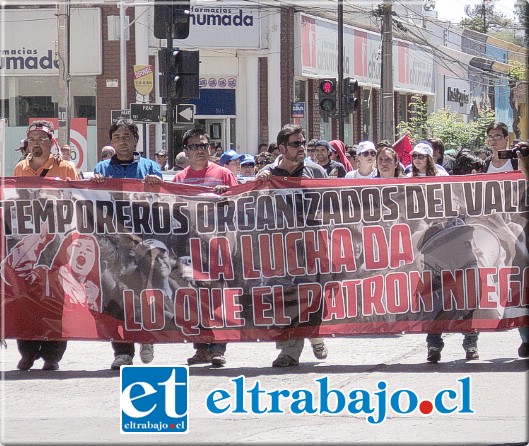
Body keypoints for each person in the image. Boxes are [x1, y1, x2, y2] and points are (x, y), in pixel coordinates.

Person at [256, 124, 329, 367]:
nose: (302, 148)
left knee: (314, 297)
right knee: (286, 298)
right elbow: (249, 204)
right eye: (296, 144)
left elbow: (331, 205)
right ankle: (289, 350)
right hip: (280, 248)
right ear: (282, 147)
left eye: (303, 142)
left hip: (311, 246)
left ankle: (315, 334)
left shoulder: (316, 172)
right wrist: (258, 184)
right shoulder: (267, 173)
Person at [92, 119, 162, 370]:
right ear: (111, 141)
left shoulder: (151, 167)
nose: (122, 141)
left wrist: (157, 184)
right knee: (115, 296)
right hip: (113, 245)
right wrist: (94, 183)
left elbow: (165, 200)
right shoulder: (101, 167)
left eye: (127, 136)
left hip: (144, 241)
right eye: (118, 136)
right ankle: (122, 350)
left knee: (144, 294)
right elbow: (92, 201)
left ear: (135, 140)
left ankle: (146, 338)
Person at [11, 119, 79, 371]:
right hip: (28, 243)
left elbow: (76, 202)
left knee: (56, 300)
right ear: (26, 143)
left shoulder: (66, 168)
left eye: (42, 139)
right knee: (26, 298)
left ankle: (52, 355)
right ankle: (27, 352)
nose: (36, 144)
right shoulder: (20, 168)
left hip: (60, 245)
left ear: (51, 143)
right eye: (32, 139)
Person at [172, 127, 239, 367]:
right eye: (194, 146)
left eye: (204, 146)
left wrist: (227, 195)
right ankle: (200, 347)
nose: (200, 150)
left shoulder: (223, 174)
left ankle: (218, 347)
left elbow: (238, 206)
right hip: (191, 248)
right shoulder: (179, 179)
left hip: (219, 247)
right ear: (185, 151)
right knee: (195, 298)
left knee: (218, 298)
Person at [424, 148, 485, 363]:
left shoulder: (480, 194)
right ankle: (434, 344)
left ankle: (470, 344)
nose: (476, 178)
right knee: (440, 303)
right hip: (442, 255)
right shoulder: (443, 191)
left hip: (468, 255)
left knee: (470, 301)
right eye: (473, 173)